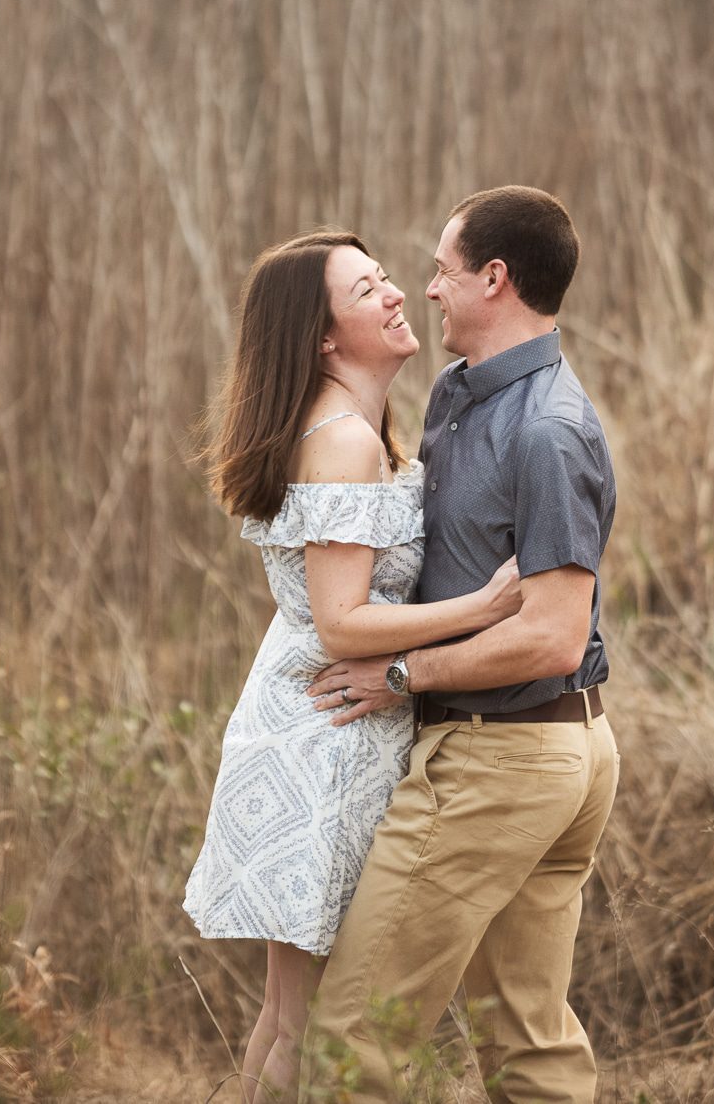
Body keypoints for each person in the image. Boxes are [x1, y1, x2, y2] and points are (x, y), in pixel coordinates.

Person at [184, 228, 523, 1103]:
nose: (396, 293)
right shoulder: (343, 441)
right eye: (367, 289)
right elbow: (342, 622)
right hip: (325, 737)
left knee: (289, 1010)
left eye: (385, 278)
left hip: (319, 722)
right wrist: (484, 609)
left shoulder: (356, 429)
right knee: (309, 1016)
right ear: (325, 338)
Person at [303, 186, 620, 1102]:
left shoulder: (549, 431)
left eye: (443, 269)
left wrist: (400, 673)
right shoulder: (456, 394)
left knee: (352, 1042)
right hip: (535, 751)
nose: (428, 289)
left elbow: (555, 635)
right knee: (529, 1047)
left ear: (495, 278)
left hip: (505, 756)